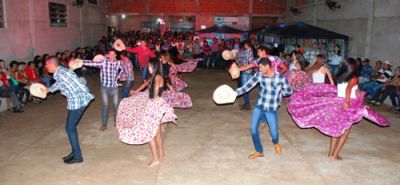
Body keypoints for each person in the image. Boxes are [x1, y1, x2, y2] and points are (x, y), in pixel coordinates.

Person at [288, 58, 390, 160]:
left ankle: (331, 153)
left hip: (338, 104)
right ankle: (335, 155)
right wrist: (348, 102)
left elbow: (347, 89)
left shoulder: (341, 77)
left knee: (336, 129)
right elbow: (349, 90)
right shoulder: (354, 78)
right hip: (348, 105)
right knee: (345, 132)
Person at [116, 58, 177, 167]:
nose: (147, 67)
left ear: (154, 66)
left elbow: (154, 94)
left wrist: (146, 95)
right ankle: (162, 153)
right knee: (156, 132)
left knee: (149, 134)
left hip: (155, 106)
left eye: (149, 66)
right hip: (156, 105)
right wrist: (137, 91)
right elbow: (147, 87)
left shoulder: (157, 77)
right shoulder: (154, 76)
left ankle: (155, 159)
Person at [235, 57, 292, 159]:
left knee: (274, 132)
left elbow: (289, 91)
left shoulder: (279, 77)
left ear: (267, 66)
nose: (259, 70)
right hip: (260, 106)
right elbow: (247, 86)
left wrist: (279, 94)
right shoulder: (259, 75)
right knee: (253, 129)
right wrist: (235, 93)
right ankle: (259, 151)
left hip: (271, 109)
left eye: (261, 67)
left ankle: (276, 142)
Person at [45, 56, 94, 164]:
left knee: (70, 128)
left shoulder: (62, 74)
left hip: (77, 102)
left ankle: (77, 156)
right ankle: (74, 152)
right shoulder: (60, 72)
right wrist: (49, 90)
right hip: (76, 101)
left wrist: (87, 95)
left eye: (46, 64)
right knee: (70, 128)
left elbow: (78, 85)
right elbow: (59, 84)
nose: (45, 66)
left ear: (52, 65)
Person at [81, 49, 125, 131]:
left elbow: (123, 70)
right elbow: (93, 63)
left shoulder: (118, 63)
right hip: (104, 88)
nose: (112, 56)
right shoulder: (104, 62)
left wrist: (118, 78)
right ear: (108, 55)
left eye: (113, 54)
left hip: (114, 88)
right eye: (110, 54)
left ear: (116, 55)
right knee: (105, 106)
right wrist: (81, 62)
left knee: (116, 105)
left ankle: (116, 120)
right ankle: (104, 124)